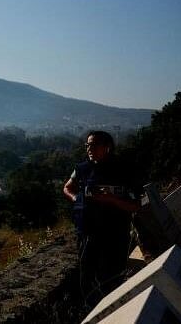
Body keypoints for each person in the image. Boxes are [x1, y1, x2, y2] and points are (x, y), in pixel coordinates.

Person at [63, 131, 140, 307]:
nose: (90, 148)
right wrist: (76, 198)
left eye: (94, 144)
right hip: (87, 232)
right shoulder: (82, 169)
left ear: (107, 147)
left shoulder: (123, 170)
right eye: (88, 145)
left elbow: (135, 206)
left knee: (112, 278)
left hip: (114, 234)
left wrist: (111, 200)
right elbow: (67, 187)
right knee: (87, 278)